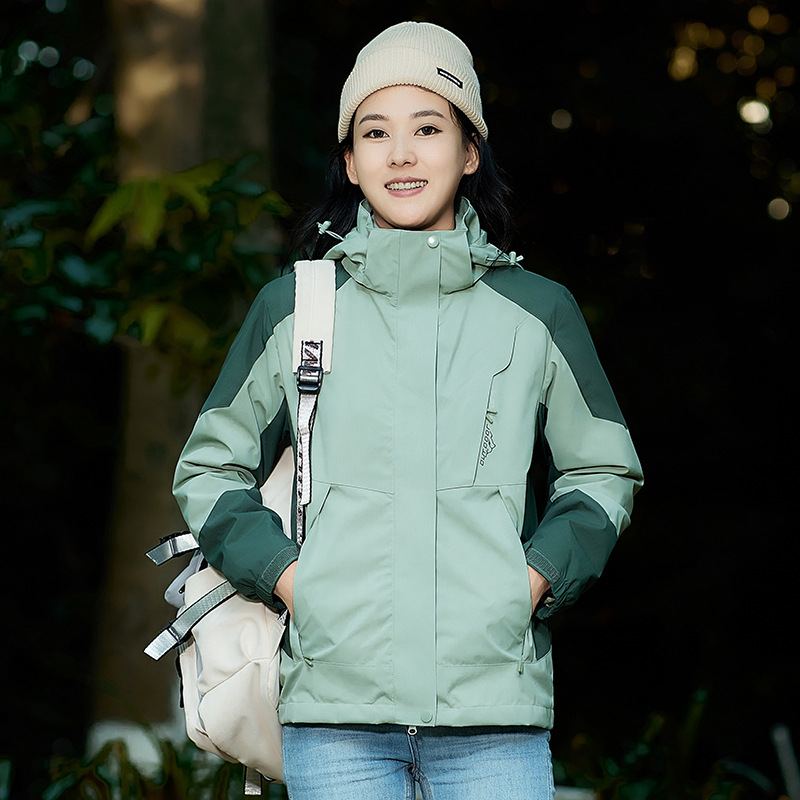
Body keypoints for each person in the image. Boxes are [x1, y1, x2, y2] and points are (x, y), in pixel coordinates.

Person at [173, 20, 643, 800]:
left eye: (428, 127)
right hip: (334, 714)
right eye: (375, 131)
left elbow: (603, 469)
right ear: (350, 163)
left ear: (468, 152)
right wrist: (292, 581)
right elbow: (209, 468)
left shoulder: (538, 311)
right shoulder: (296, 308)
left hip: (496, 713)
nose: (401, 153)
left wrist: (530, 581)